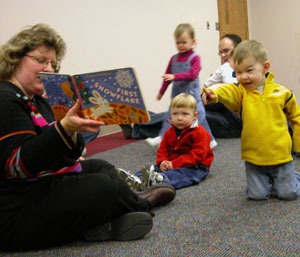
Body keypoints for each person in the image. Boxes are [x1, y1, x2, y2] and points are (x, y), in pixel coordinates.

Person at [0, 23, 176, 251]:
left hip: (41, 184)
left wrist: (71, 130)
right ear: (15, 58)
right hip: (17, 209)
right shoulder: (5, 98)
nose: (49, 69)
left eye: (53, 64)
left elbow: (66, 155)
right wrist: (64, 128)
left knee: (100, 167)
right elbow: (17, 166)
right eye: (41, 60)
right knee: (104, 187)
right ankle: (139, 203)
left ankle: (104, 220)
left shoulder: (37, 99)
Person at [202, 39, 300, 200]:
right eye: (238, 73)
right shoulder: (240, 93)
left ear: (265, 67)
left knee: (288, 194)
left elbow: (296, 117)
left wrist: (298, 144)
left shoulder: (283, 93)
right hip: (254, 159)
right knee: (258, 196)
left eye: (249, 71)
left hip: (280, 156)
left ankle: (292, 176)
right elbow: (225, 90)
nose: (243, 77)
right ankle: (271, 181)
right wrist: (213, 94)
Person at [119, 93, 214, 191]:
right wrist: (162, 161)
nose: (179, 118)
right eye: (175, 114)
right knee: (153, 169)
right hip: (171, 163)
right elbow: (163, 149)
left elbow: (197, 156)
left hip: (195, 166)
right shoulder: (170, 132)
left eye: (185, 114)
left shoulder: (201, 133)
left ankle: (157, 182)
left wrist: (174, 164)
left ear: (194, 116)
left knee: (177, 175)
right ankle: (134, 179)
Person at [145, 23, 217, 149]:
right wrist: (161, 92)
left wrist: (176, 76)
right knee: (169, 116)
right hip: (177, 97)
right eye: (178, 42)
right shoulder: (173, 59)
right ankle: (162, 137)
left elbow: (193, 74)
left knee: (199, 117)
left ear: (192, 41)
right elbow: (168, 76)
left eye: (184, 42)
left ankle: (210, 140)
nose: (181, 45)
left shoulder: (195, 58)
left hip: (192, 96)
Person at [203, 34, 243, 138]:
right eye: (220, 52)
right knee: (187, 111)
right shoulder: (224, 68)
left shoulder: (250, 67)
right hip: (223, 112)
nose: (223, 55)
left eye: (226, 51)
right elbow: (205, 87)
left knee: (189, 114)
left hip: (236, 119)